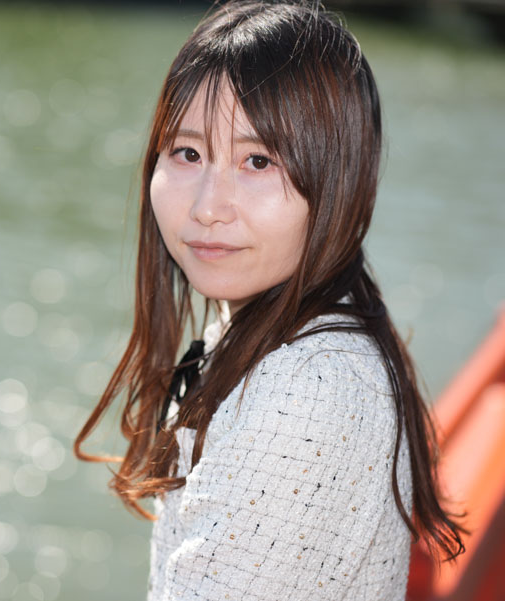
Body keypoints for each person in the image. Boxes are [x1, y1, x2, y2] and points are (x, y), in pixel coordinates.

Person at [74, 1, 467, 599]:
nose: (208, 206)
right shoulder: (270, 333)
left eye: (257, 161)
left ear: (339, 183)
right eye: (188, 153)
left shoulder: (309, 390)